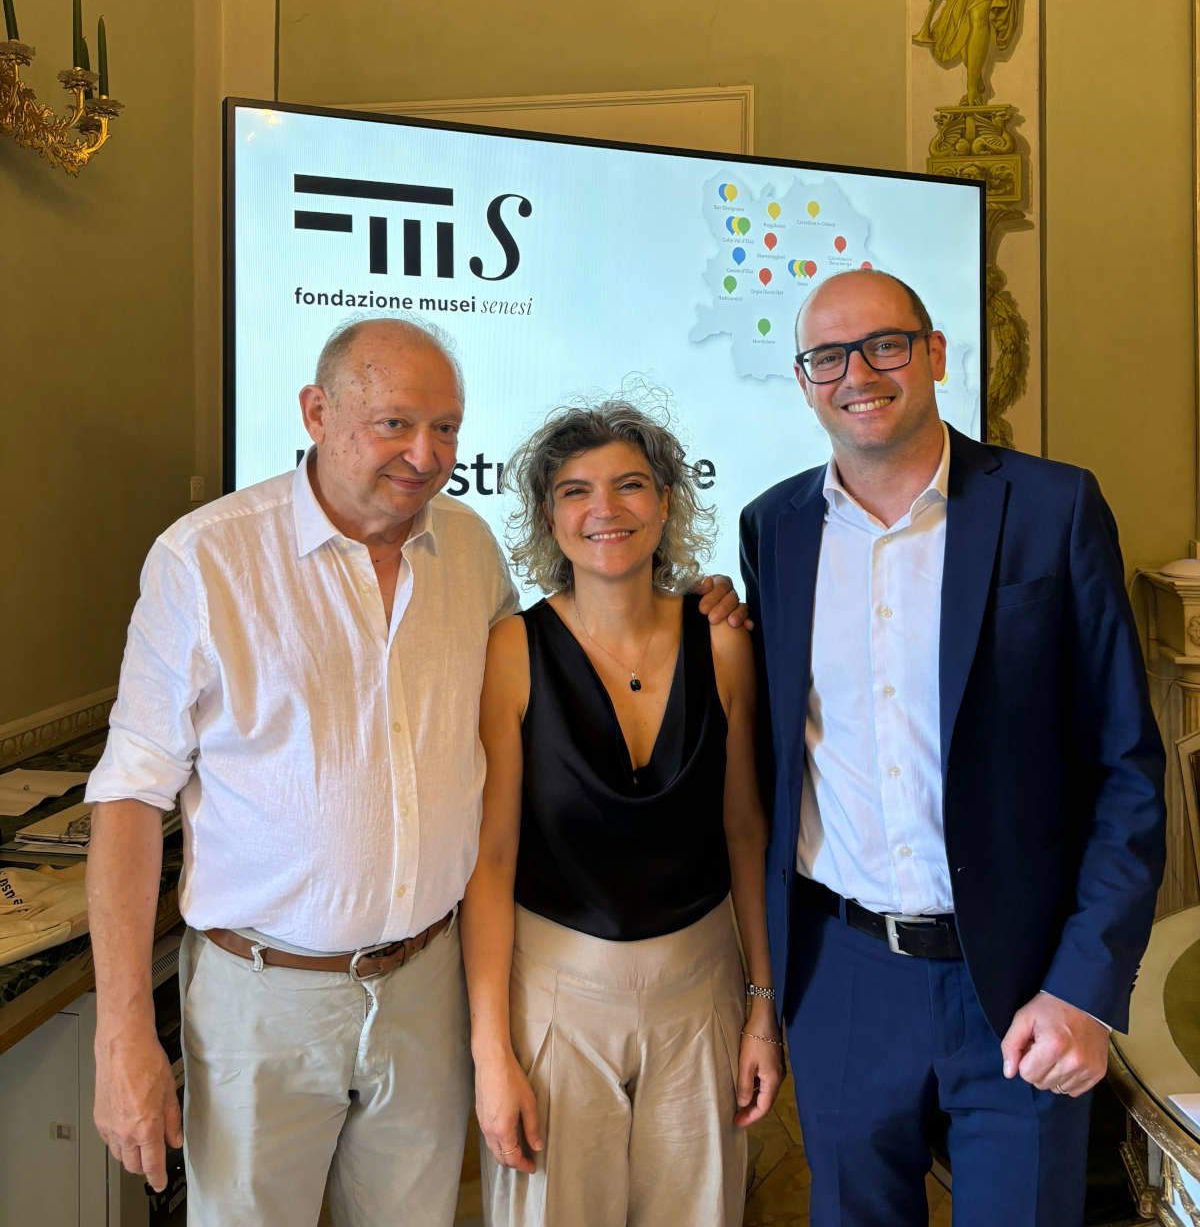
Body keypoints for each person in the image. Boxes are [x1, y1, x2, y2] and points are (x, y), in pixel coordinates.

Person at [83, 317, 746, 1227]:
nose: (425, 454)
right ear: (317, 412)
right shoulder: (206, 559)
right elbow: (129, 794)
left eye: (446, 428)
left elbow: (590, 632)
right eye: (394, 423)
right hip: (262, 999)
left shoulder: (468, 552)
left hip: (425, 986)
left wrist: (701, 597)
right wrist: (121, 1030)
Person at [740, 269, 1165, 1227]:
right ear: (803, 380)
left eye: (885, 345)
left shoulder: (1053, 507)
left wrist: (1084, 988)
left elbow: (1127, 770)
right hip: (844, 978)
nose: (858, 375)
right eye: (827, 357)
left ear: (934, 353)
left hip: (1021, 980)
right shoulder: (774, 529)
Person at [462, 400, 783, 1227]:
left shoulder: (724, 642)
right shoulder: (512, 651)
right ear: (549, 517)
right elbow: (491, 861)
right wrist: (491, 1052)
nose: (605, 509)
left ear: (666, 501)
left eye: (630, 485)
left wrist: (762, 1006)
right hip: (555, 999)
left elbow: (746, 832)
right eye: (576, 491)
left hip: (701, 995)